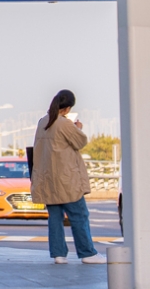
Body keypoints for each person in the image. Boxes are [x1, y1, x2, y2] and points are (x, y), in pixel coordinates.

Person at [32, 89, 104, 264]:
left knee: (55, 217)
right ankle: (87, 253)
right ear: (68, 107)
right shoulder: (63, 124)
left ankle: (58, 254)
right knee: (79, 215)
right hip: (66, 179)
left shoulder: (43, 122)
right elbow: (80, 142)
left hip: (47, 179)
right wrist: (77, 128)